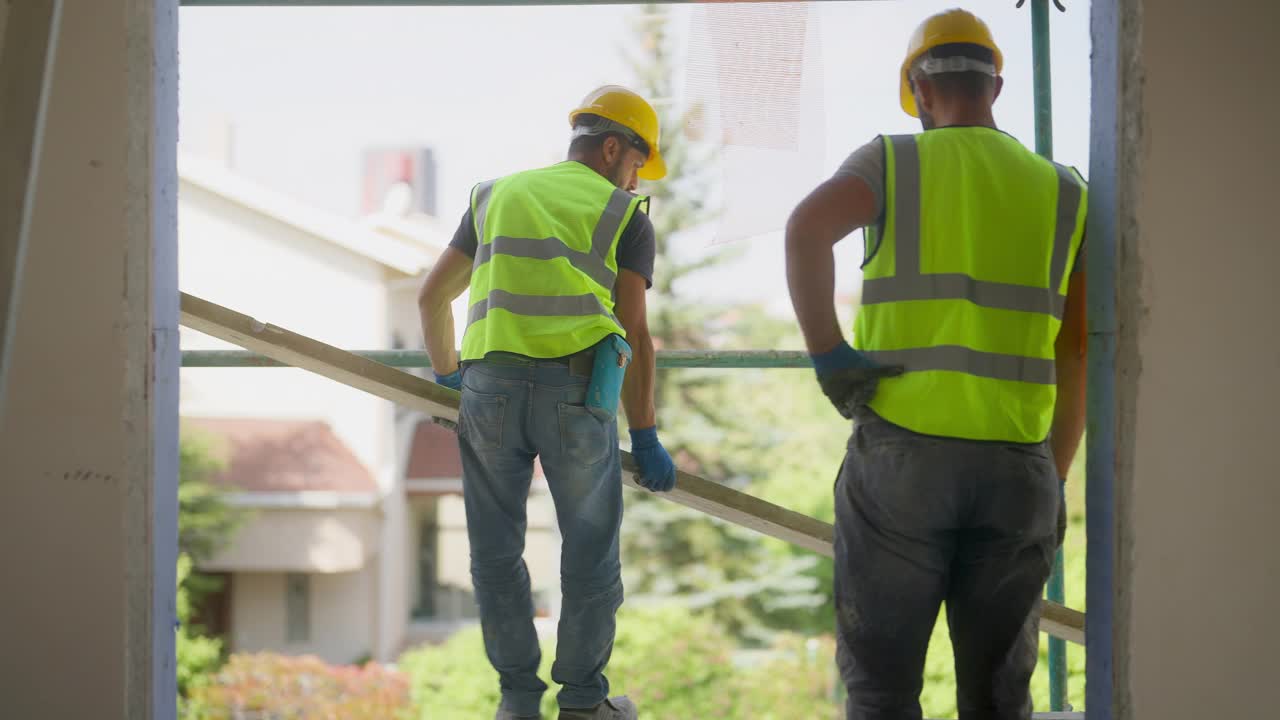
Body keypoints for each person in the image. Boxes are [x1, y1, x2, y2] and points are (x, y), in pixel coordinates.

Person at [784, 9, 1088, 719]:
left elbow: (806, 229)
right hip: (1017, 464)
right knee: (997, 697)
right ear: (997, 87)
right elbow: (1074, 348)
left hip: (902, 463)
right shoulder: (1066, 191)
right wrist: (1053, 471)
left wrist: (830, 354)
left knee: (883, 690)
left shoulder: (891, 161)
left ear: (920, 88)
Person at [417, 85, 677, 720]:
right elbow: (635, 334)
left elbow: (431, 299)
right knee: (589, 556)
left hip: (489, 394)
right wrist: (644, 434)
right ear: (613, 147)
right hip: (575, 397)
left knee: (495, 552)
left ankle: (517, 701)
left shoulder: (493, 194)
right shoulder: (625, 216)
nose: (637, 176)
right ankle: (584, 705)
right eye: (638, 162)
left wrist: (451, 374)